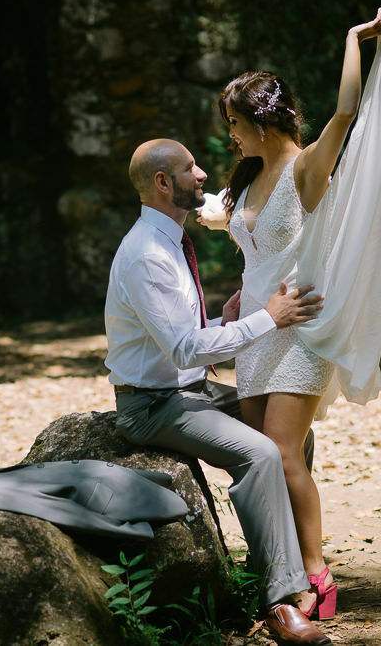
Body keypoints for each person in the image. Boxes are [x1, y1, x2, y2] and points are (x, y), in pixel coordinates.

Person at [201, 5, 381, 620]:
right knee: (264, 457)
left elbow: (344, 112)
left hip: (302, 331)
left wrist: (352, 42)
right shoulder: (247, 180)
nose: (229, 134)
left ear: (263, 119)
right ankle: (276, 571)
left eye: (234, 122)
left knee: (284, 452)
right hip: (257, 334)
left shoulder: (306, 166)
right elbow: (241, 241)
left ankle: (316, 573)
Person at [105, 138, 331, 645]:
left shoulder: (168, 240)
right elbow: (183, 349)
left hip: (188, 388)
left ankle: (275, 564)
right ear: (164, 183)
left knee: (292, 438)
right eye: (191, 169)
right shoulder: (146, 254)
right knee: (261, 454)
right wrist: (264, 320)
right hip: (152, 404)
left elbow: (175, 335)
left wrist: (221, 320)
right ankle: (280, 600)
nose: (203, 174)